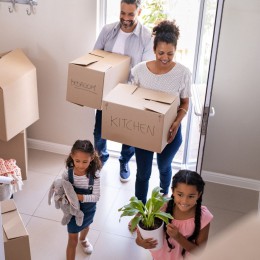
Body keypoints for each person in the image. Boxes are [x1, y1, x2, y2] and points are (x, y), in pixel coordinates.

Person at [130, 20, 191, 204]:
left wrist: (176, 123)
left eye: (170, 54)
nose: (165, 57)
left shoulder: (183, 73)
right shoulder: (139, 70)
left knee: (164, 167)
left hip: (171, 132)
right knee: (143, 173)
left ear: (175, 51)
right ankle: (139, 210)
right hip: (144, 132)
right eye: (161, 53)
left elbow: (185, 103)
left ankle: (165, 198)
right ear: (154, 49)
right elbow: (131, 99)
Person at [93, 0, 154, 182]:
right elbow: (95, 56)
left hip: (130, 93)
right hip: (106, 90)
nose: (125, 18)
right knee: (99, 129)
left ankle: (124, 161)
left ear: (139, 12)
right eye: (122, 13)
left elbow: (144, 70)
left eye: (130, 14)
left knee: (128, 133)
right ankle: (100, 159)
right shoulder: (107, 30)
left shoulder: (146, 37)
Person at [136, 170, 213, 260]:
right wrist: (141, 243)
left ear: (199, 195)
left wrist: (178, 237)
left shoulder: (204, 218)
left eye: (191, 196)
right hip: (159, 257)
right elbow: (139, 238)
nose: (184, 201)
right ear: (173, 191)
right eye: (180, 195)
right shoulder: (161, 208)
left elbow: (199, 252)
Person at [62, 140, 102, 260]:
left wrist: (78, 197)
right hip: (72, 211)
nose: (80, 165)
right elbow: (62, 191)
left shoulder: (95, 175)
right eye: (77, 161)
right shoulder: (67, 174)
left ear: (92, 158)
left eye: (85, 161)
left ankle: (83, 239)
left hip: (89, 209)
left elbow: (96, 197)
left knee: (86, 226)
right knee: (72, 240)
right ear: (72, 157)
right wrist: (65, 198)